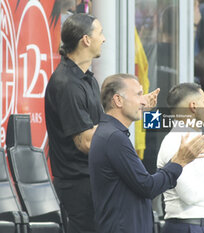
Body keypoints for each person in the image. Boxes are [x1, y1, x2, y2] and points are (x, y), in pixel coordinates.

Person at [45, 14, 159, 233]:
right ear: (86, 40)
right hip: (79, 185)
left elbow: (106, 127)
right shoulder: (67, 84)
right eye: (100, 33)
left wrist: (137, 108)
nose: (104, 39)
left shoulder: (87, 79)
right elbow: (86, 142)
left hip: (92, 181)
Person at [89, 74, 204, 233]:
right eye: (139, 95)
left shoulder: (110, 134)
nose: (144, 100)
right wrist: (179, 162)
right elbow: (148, 186)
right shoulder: (114, 138)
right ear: (118, 100)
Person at [157, 83, 204, 233]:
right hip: (187, 227)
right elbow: (190, 195)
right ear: (193, 106)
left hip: (198, 226)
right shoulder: (176, 141)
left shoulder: (190, 139)